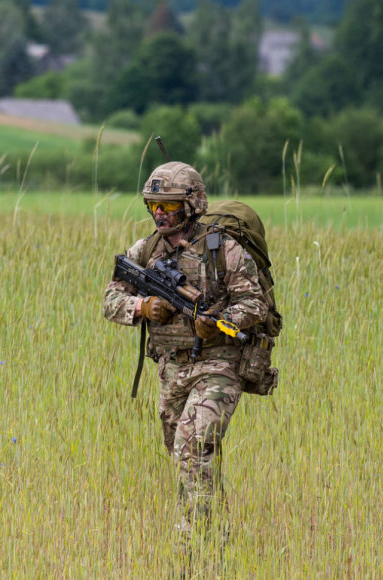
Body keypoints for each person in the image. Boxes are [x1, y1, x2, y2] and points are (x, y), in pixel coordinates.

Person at [102, 161, 268, 538]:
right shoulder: (145, 249)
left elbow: (255, 304)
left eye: (169, 205)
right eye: (153, 205)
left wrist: (218, 320)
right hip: (170, 369)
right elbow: (111, 300)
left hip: (218, 365)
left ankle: (192, 545)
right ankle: (217, 537)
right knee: (187, 457)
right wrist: (143, 307)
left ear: (192, 204)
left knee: (193, 447)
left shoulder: (222, 248)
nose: (159, 213)